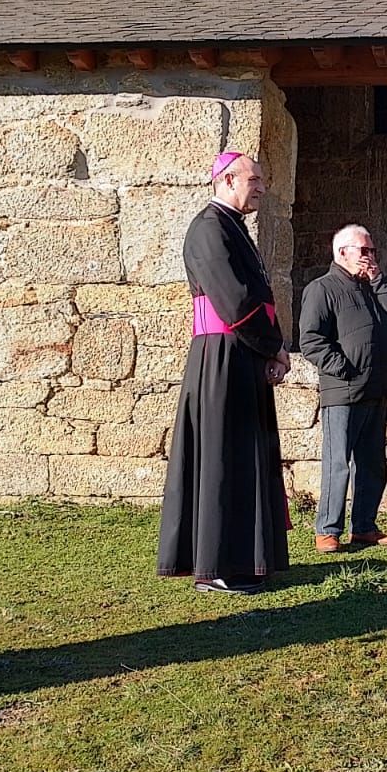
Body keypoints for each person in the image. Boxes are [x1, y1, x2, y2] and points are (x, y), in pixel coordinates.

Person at [158, 151, 292, 594]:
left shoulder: (232, 227)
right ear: (227, 180)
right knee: (220, 461)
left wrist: (270, 348)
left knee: (242, 458)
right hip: (221, 358)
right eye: (254, 179)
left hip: (241, 355)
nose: (261, 187)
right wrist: (274, 346)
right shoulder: (209, 229)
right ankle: (216, 566)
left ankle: (243, 558)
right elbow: (235, 303)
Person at [298, 224, 387, 553]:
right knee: (338, 462)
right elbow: (311, 341)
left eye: (373, 251)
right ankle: (327, 529)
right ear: (342, 252)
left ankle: (364, 527)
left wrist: (379, 280)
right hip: (343, 391)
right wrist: (343, 369)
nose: (370, 256)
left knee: (372, 462)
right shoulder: (323, 289)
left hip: (376, 389)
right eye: (365, 251)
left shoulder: (373, 286)